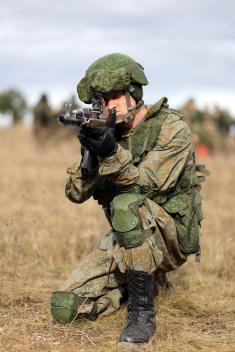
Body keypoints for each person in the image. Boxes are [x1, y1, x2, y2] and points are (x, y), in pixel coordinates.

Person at [51, 53, 208, 348]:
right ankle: (143, 284)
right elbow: (74, 193)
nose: (108, 105)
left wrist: (111, 151)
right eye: (100, 99)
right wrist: (91, 153)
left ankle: (141, 314)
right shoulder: (111, 132)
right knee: (65, 307)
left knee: (127, 204)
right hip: (129, 239)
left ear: (134, 94)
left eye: (114, 97)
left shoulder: (172, 129)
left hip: (168, 236)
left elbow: (145, 183)